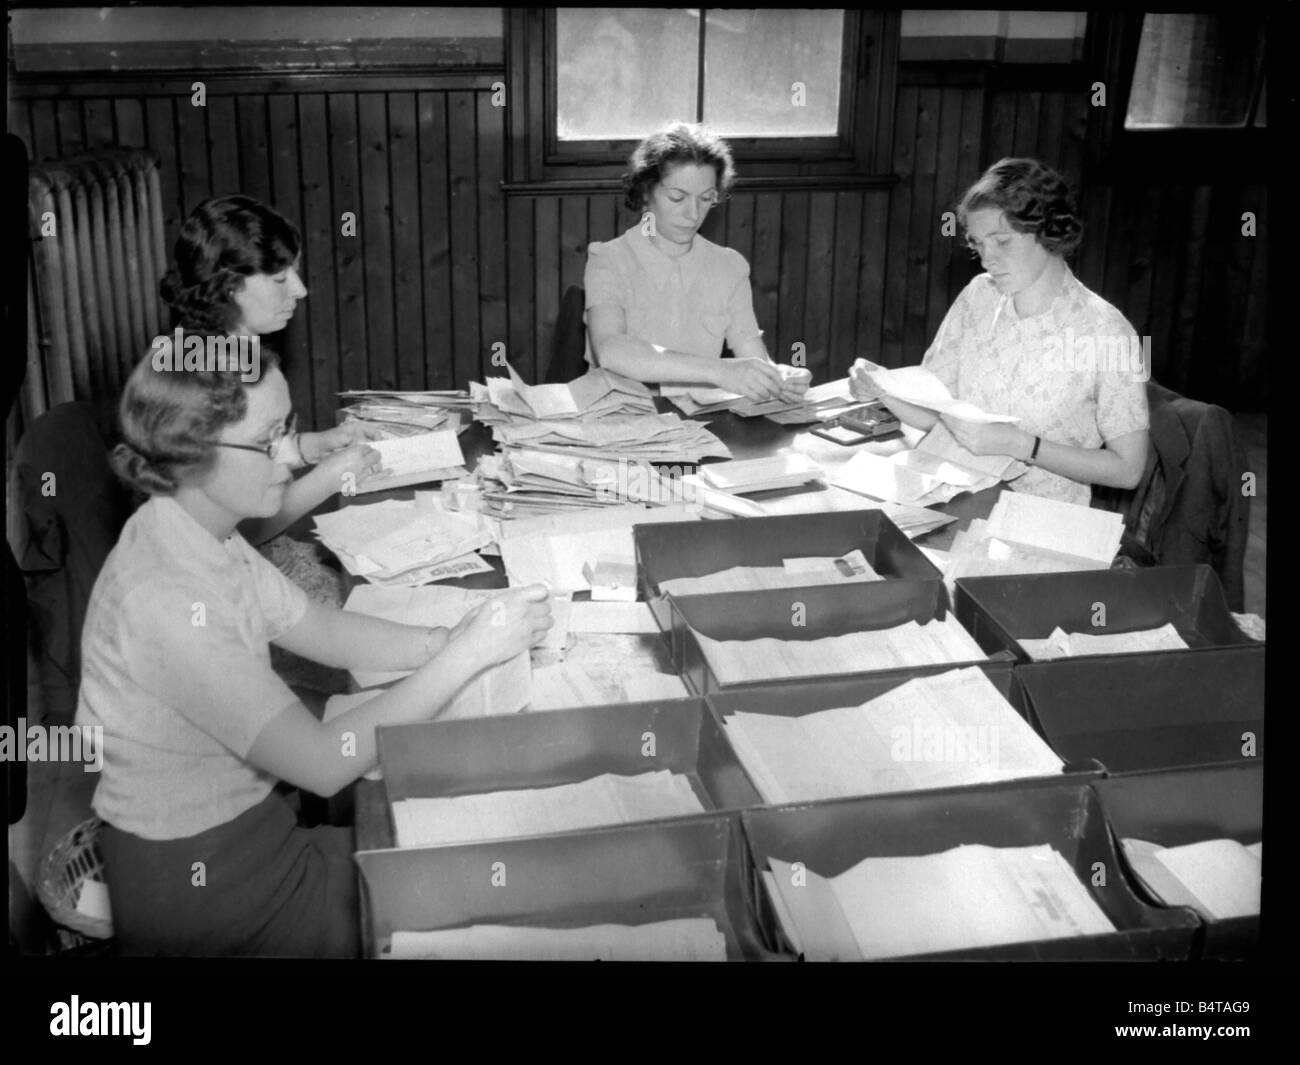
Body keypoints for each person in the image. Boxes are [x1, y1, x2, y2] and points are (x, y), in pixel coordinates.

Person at [75, 351, 553, 956]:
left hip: (255, 837)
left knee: (464, 860)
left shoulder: (197, 526)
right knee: (475, 902)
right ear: (193, 458)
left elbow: (320, 630)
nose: (291, 454)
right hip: (203, 898)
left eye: (288, 427)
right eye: (268, 440)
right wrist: (467, 658)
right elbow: (325, 763)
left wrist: (447, 639)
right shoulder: (166, 599)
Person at [852, 158, 1149, 506]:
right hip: (957, 494)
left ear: (1048, 231)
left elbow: (1128, 470)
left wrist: (1020, 444)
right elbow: (938, 417)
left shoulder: (1108, 332)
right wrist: (884, 390)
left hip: (1040, 517)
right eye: (978, 244)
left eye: (1002, 242)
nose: (987, 259)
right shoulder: (979, 295)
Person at [159, 195, 382, 544]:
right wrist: (329, 477)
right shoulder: (208, 381)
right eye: (280, 279)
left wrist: (312, 446)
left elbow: (250, 459)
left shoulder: (201, 345)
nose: (300, 289)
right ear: (230, 287)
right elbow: (237, 534)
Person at [584, 122, 809, 404]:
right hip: (618, 419)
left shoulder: (729, 266)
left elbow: (752, 357)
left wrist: (775, 378)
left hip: (697, 424)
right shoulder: (608, 259)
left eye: (706, 198)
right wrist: (719, 371)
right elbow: (612, 350)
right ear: (645, 192)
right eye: (677, 197)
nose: (692, 214)